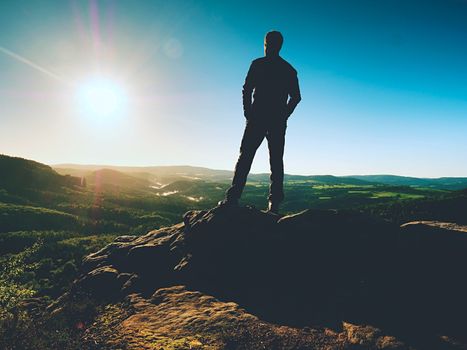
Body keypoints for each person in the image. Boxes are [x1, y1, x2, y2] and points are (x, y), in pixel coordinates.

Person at [218, 30, 301, 214]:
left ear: (267, 45)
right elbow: (296, 97)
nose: (266, 47)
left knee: (246, 156)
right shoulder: (288, 70)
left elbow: (247, 89)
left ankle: (233, 198)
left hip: (258, 118)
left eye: (266, 44)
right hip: (275, 120)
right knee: (275, 161)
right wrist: (283, 115)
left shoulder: (258, 64)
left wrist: (248, 112)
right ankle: (274, 204)